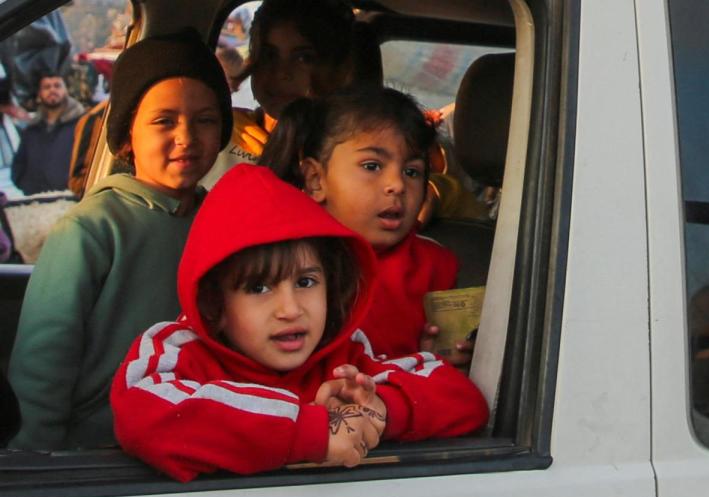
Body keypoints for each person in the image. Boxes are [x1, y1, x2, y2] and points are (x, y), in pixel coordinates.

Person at [111, 164, 488, 482]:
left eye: (306, 282)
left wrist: (377, 410)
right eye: (259, 287)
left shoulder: (345, 355)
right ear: (214, 305)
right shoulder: (177, 352)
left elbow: (462, 399)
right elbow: (141, 414)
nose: (291, 309)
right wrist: (313, 431)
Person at [7, 29, 232, 450]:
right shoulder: (91, 229)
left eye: (205, 120)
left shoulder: (225, 223)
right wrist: (38, 457)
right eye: (164, 121)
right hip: (101, 455)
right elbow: (44, 362)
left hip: (195, 443)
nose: (186, 137)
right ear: (128, 135)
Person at [261, 87, 473, 364]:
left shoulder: (435, 267)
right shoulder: (279, 258)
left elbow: (450, 367)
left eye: (412, 172)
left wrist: (432, 362)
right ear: (315, 179)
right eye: (372, 166)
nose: (397, 185)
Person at [200, 0, 356, 188]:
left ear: (340, 72)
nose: (281, 73)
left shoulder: (347, 158)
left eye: (303, 58)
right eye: (269, 55)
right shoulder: (222, 135)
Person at [11, 73, 85, 195]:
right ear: (39, 94)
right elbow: (18, 165)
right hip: (36, 203)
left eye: (57, 85)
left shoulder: (81, 125)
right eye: (47, 87)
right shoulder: (31, 131)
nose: (52, 90)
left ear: (66, 90)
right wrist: (29, 186)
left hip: (71, 200)